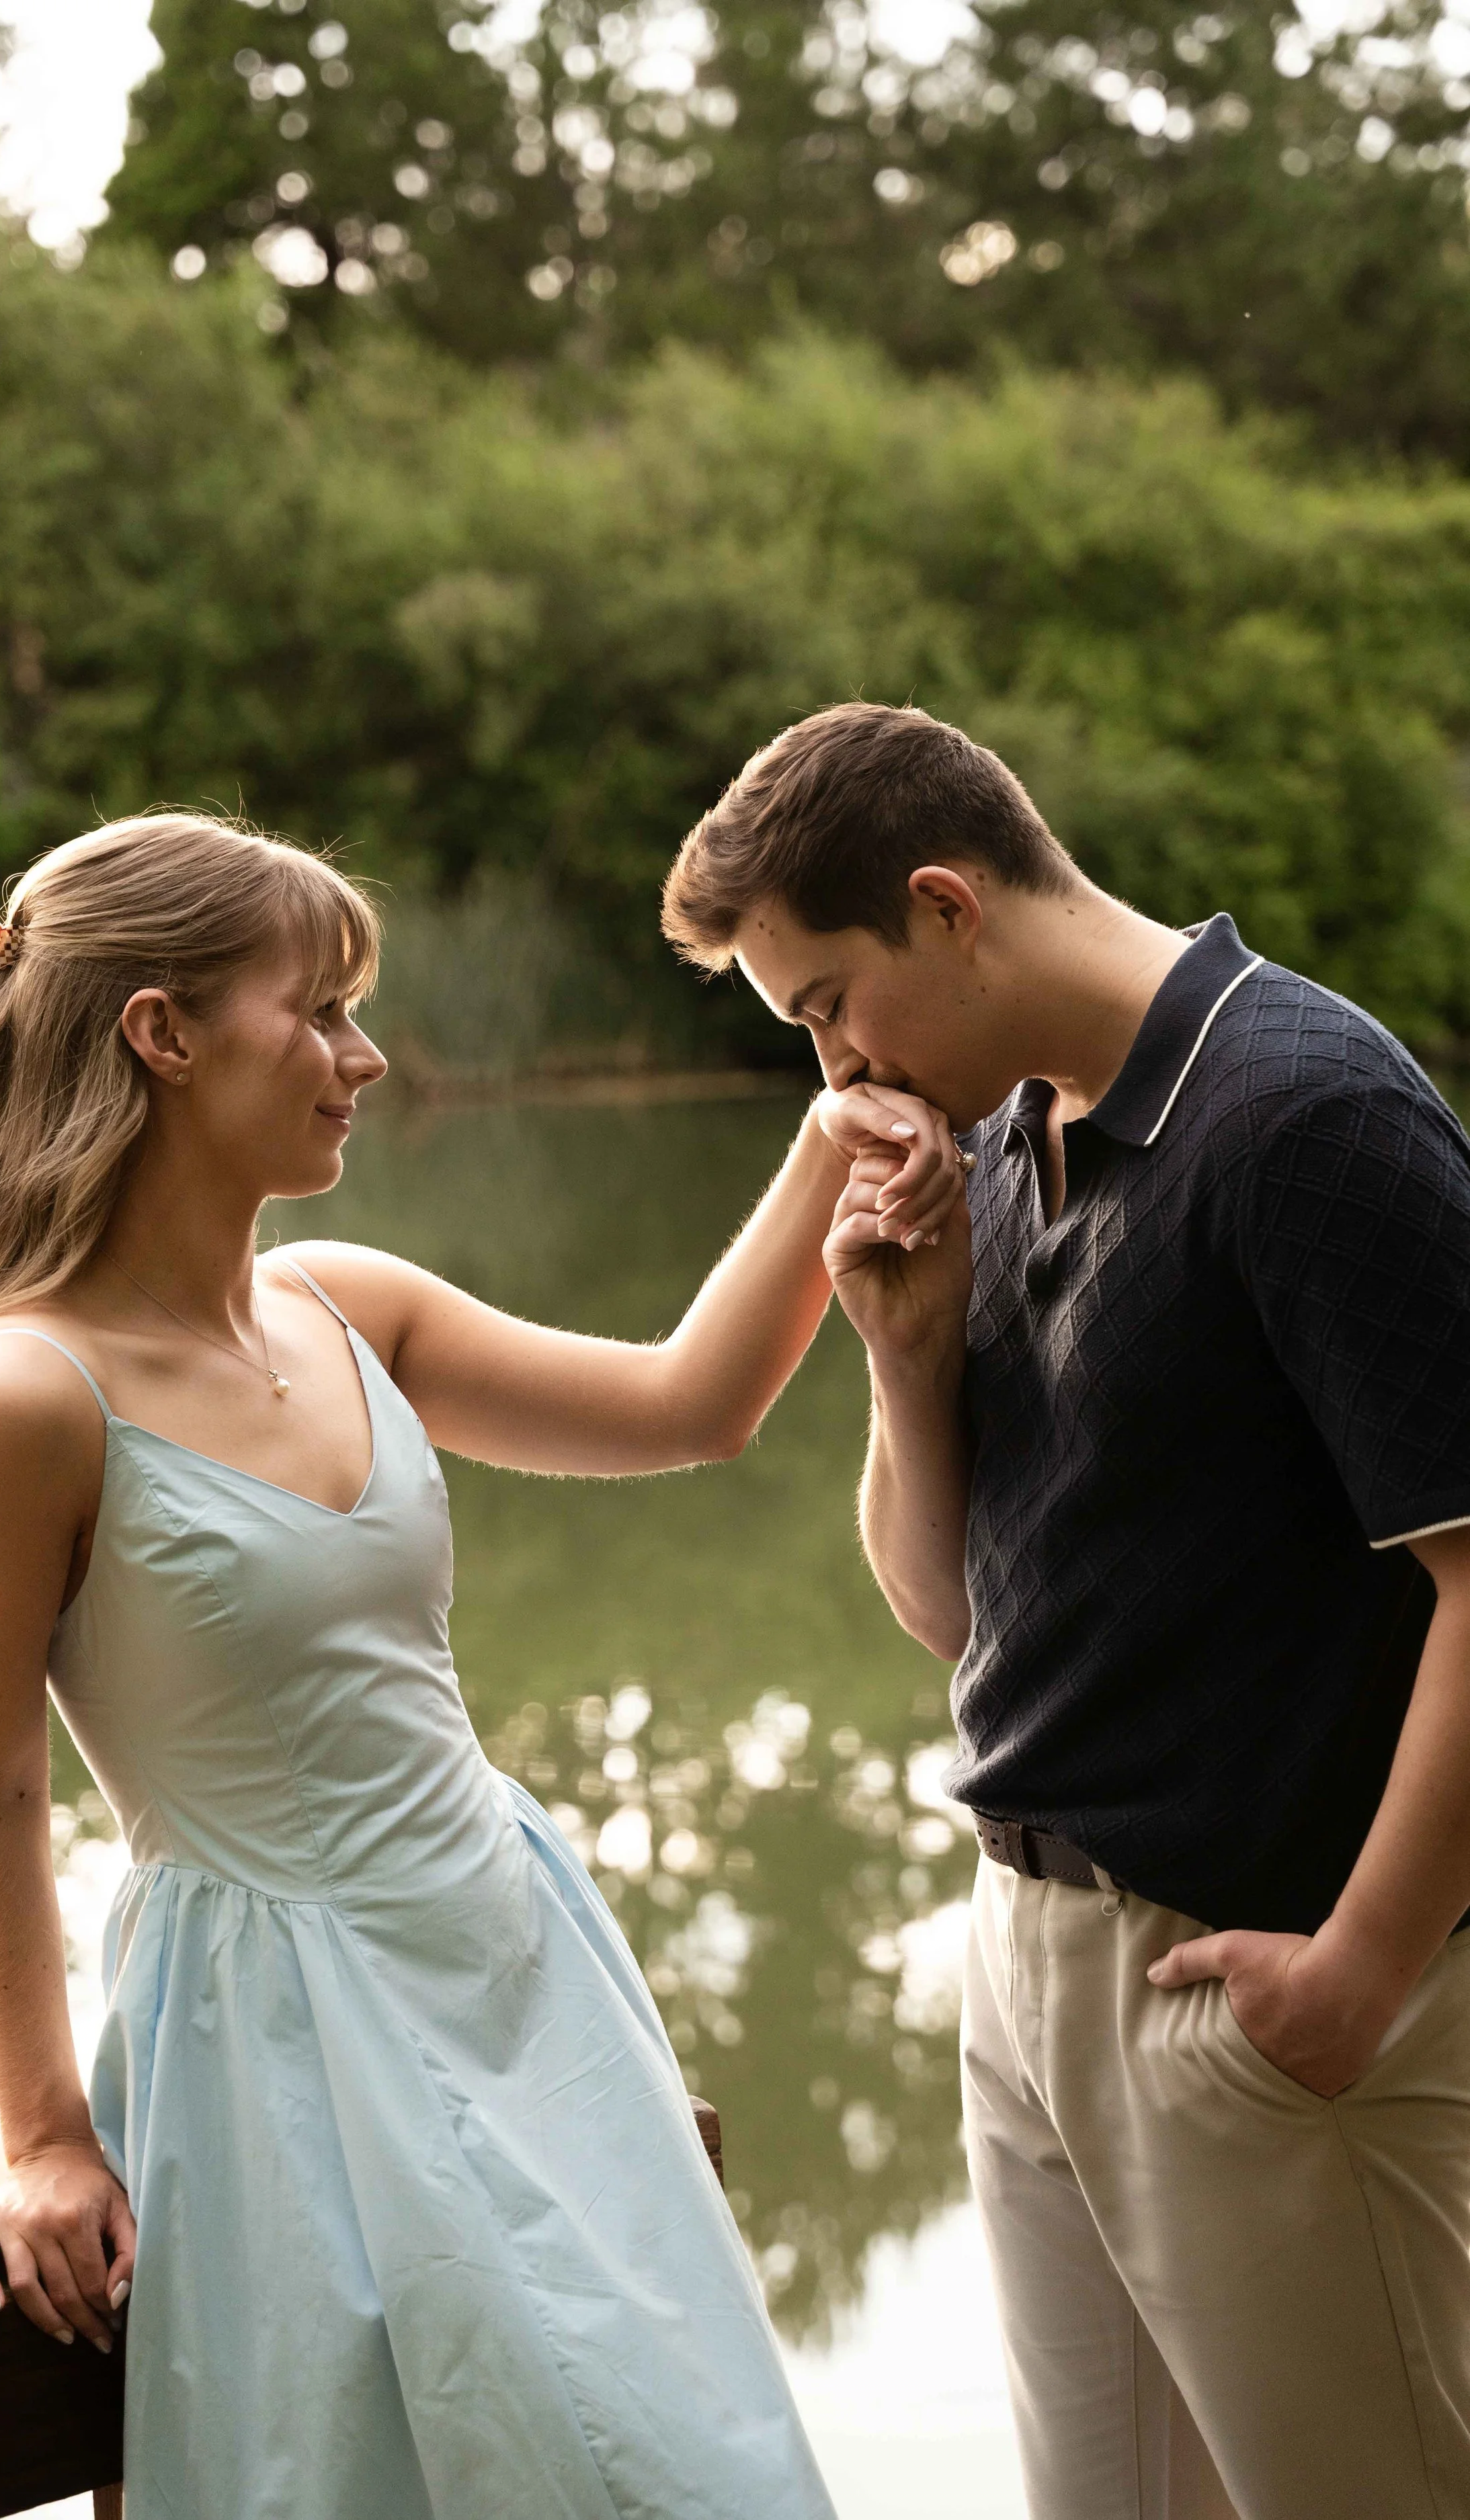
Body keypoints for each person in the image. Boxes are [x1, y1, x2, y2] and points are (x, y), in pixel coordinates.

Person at [0, 812, 963, 2520]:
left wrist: (834, 1143)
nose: (362, 1059)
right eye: (315, 1013)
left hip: (512, 1950)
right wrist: (41, 2137)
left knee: (695, 2471)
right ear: (161, 1036)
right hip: (279, 2036)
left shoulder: (345, 1303)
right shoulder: (16, 1406)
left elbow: (689, 1403)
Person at [661, 700, 1470, 2520]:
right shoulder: (1002, 1131)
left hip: (1255, 1989)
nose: (831, 1066)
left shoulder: (1303, 1113)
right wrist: (903, 1351)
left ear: (945, 906)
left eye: (823, 1003)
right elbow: (954, 1611)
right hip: (1024, 1959)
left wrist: (1357, 1964)